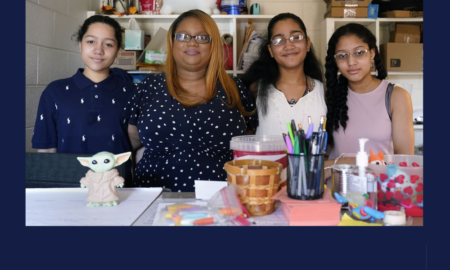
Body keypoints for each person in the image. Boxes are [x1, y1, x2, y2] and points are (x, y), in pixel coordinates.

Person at [126, 10, 256, 191]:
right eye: (183, 36)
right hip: (153, 197)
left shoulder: (235, 88)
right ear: (172, 42)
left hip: (222, 199)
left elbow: (249, 144)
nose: (192, 42)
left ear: (213, 45)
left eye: (203, 37)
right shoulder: (149, 87)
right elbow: (130, 143)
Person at [32, 15, 136, 157]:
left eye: (108, 44)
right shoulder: (54, 91)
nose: (98, 50)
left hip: (118, 178)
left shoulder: (133, 92)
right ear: (80, 44)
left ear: (117, 50)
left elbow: (138, 147)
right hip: (69, 178)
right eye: (91, 41)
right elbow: (46, 150)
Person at [324, 23, 414, 176]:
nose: (351, 62)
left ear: (372, 53)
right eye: (342, 55)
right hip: (337, 190)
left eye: (359, 52)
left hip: (380, 190)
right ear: (335, 60)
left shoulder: (396, 96)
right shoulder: (330, 95)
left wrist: (352, 162)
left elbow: (405, 161)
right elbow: (326, 152)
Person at [241, 13, 326, 135]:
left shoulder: (323, 92)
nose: (288, 45)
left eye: (296, 37)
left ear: (307, 44)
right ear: (270, 50)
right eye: (278, 40)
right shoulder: (254, 90)